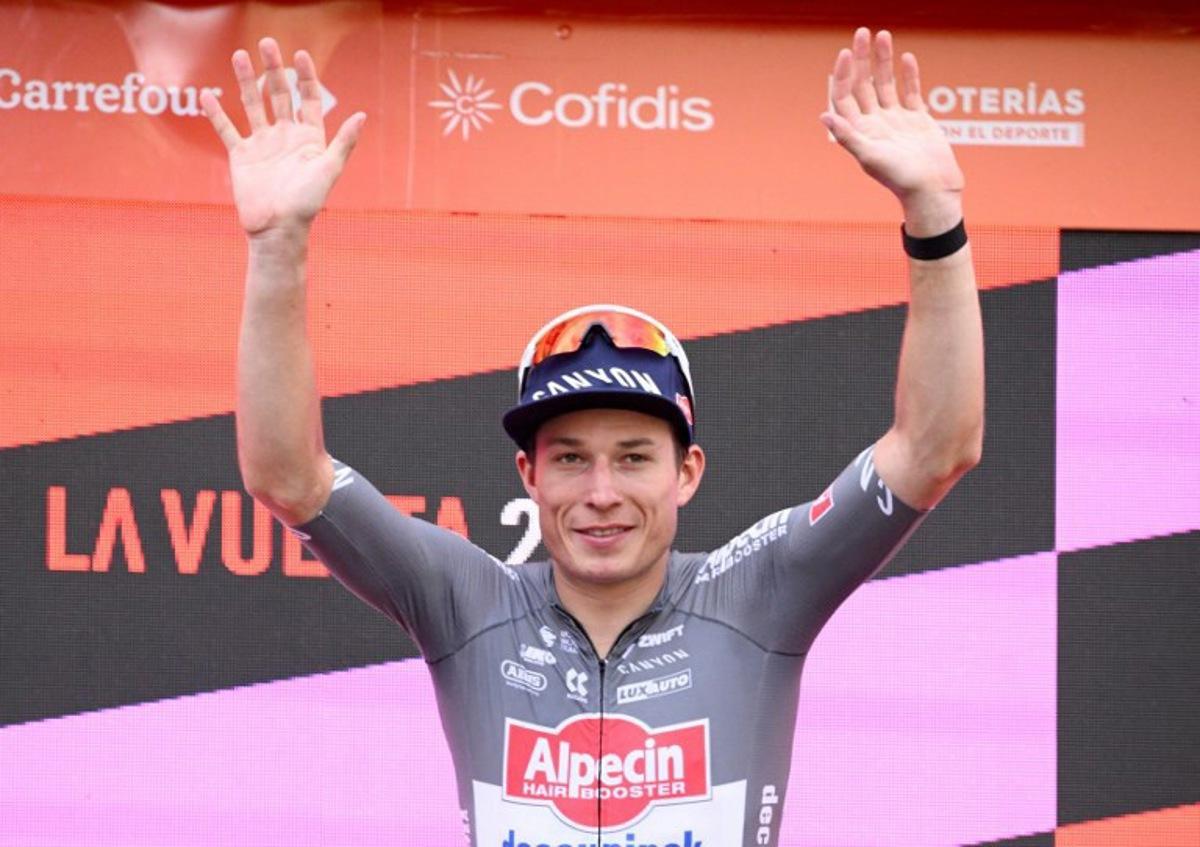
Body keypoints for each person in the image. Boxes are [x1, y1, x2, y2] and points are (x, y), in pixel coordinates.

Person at [202, 25, 982, 847]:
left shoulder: (761, 590)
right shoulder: (467, 600)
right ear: (527, 476)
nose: (600, 492)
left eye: (634, 457)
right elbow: (287, 476)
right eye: (570, 459)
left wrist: (934, 217)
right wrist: (277, 247)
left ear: (688, 471)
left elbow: (936, 450)